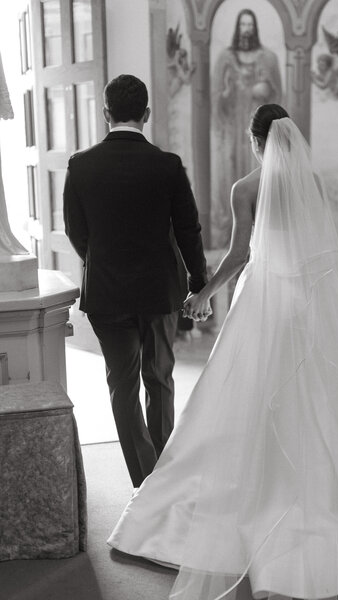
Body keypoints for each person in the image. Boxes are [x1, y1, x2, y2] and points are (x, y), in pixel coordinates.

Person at [108, 104, 338, 600]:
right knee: (323, 395)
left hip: (266, 300)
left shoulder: (245, 188)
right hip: (310, 300)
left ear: (255, 139)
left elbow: (241, 254)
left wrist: (204, 294)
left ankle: (256, 488)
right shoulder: (313, 182)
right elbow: (317, 243)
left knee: (246, 396)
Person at [63, 74, 208, 488]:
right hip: (160, 291)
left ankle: (144, 484)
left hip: (107, 293)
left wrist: (102, 263)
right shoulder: (167, 165)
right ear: (146, 114)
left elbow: (77, 232)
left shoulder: (80, 165)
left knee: (121, 388)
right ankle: (164, 477)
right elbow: (188, 230)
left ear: (105, 113)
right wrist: (197, 282)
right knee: (159, 379)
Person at [211, 9, 282, 248]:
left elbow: (276, 93)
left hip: (255, 121)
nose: (246, 29)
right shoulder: (225, 58)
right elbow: (215, 99)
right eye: (243, 25)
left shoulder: (268, 58)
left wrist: (264, 88)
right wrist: (227, 94)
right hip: (233, 128)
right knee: (232, 166)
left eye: (250, 25)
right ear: (238, 28)